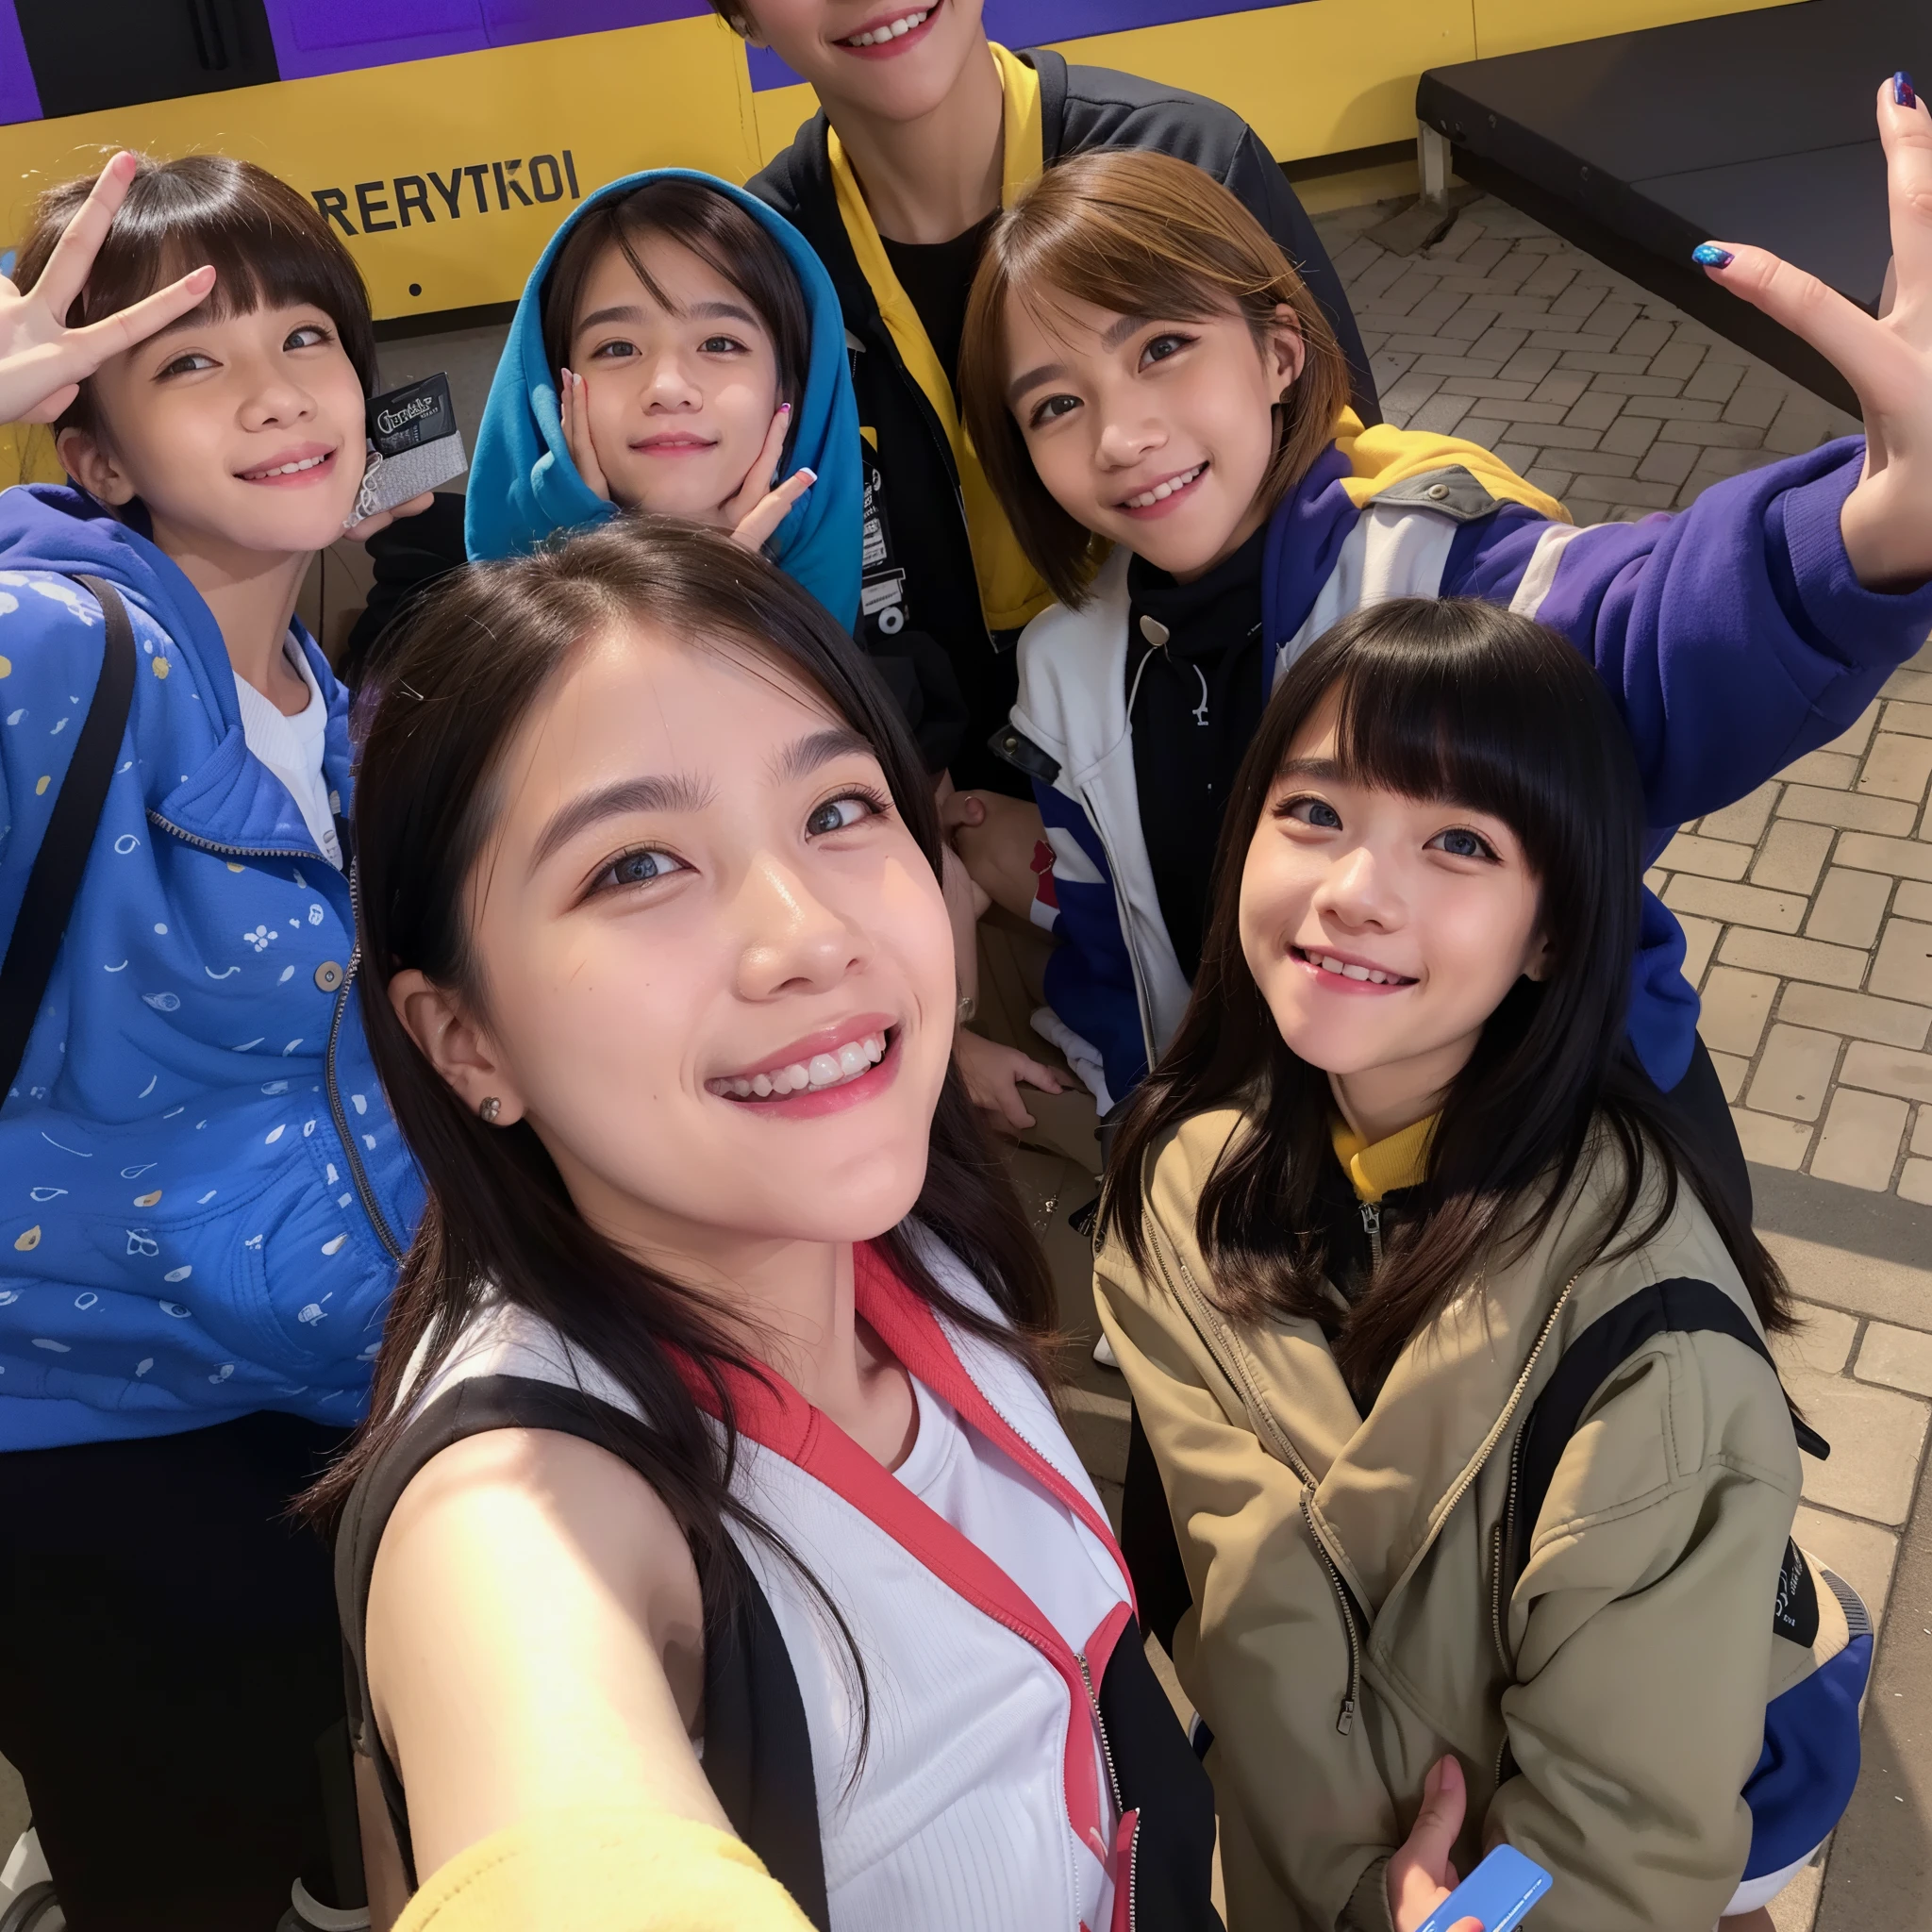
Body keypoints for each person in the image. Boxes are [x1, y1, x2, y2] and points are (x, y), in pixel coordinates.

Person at [308, 519, 1225, 1932]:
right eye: (634, 868)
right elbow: (560, 1826)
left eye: (839, 811)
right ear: (464, 1040)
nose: (803, 932)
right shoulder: (519, 1522)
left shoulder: (901, 1231)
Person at [958, 106, 1932, 1213]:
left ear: (1279, 353)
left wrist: (1873, 530)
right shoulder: (1068, 671)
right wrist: (1152, 1160)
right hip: (1288, 1183)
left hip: (1554, 1173)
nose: (1118, 435)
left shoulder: (1436, 561)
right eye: (1055, 404)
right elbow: (1112, 960)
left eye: (1161, 348)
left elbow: (1645, 631)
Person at [1094, 596, 1872, 1932]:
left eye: (1458, 840)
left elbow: (1614, 1853)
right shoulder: (1181, 1181)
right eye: (1315, 813)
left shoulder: (1654, 1348)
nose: (1353, 893)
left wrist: (1471, 1919)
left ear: (1556, 931)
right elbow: (1229, 1578)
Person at [0, 154, 429, 1930]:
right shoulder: (50, 647)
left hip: (326, 1396)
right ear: (88, 451)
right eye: (189, 361)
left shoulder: (323, 703)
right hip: (90, 1434)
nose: (278, 392)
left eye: (305, 335)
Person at [724, 0, 1378, 796]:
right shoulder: (753, 282)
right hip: (923, 818)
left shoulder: (1189, 160)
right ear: (743, 16)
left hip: (1253, 784)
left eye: (1161, 348)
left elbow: (1342, 493)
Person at [464, 170, 863, 639]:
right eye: (617, 348)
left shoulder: (910, 680)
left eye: (719, 344)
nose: (668, 388)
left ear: (792, 388)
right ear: (554, 393)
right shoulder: (481, 653)